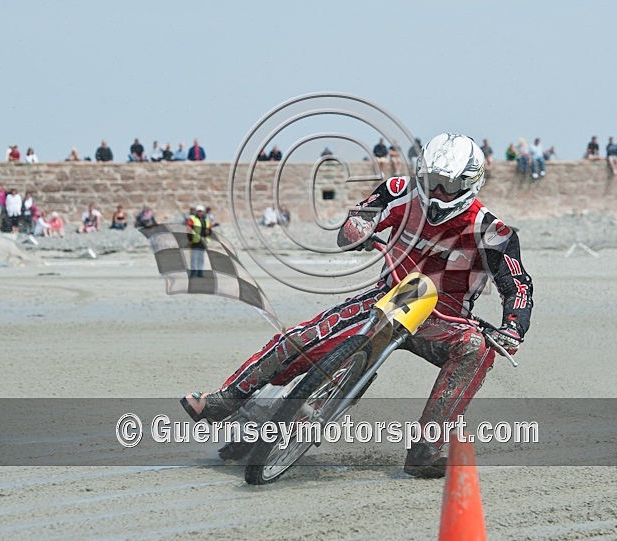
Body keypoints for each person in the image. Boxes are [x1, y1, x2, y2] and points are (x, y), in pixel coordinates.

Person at [181, 133, 533, 478]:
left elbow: (517, 285)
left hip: (445, 319)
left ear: (471, 182)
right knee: (305, 336)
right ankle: (226, 398)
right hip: (391, 295)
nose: (437, 191)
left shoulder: (492, 231)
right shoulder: (399, 192)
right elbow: (361, 215)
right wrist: (358, 229)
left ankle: (426, 450)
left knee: (477, 348)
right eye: (430, 180)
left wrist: (512, 327)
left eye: (447, 184)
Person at [186, 205, 212, 277]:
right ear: (196, 211)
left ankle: (200, 272)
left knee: (201, 258)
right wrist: (190, 240)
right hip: (195, 240)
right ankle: (193, 272)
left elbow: (210, 229)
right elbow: (189, 229)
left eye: (201, 211)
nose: (200, 212)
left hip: (203, 241)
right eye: (198, 211)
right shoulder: (192, 218)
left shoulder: (206, 220)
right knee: (194, 257)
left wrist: (208, 232)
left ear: (203, 212)